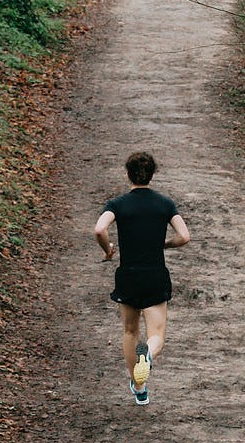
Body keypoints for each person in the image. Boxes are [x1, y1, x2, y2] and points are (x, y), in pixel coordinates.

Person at [93, 152, 190, 406]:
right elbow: (184, 236)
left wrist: (108, 250)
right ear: (152, 174)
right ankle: (147, 355)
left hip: (128, 275)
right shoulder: (165, 204)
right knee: (156, 334)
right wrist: (165, 245)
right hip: (155, 274)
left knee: (129, 330)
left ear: (128, 174)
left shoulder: (118, 204)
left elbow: (99, 229)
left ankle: (139, 387)